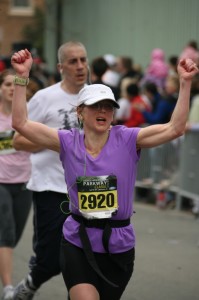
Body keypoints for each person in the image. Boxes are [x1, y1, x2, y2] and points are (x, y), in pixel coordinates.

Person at [11, 48, 198, 300]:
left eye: (108, 107)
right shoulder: (67, 141)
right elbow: (21, 124)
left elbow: (175, 128)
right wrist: (22, 77)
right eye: (95, 106)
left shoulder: (129, 139)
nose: (102, 111)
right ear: (80, 112)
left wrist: (185, 83)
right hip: (78, 239)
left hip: (118, 244)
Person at [12, 42, 88, 299]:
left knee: (86, 258)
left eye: (83, 60)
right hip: (51, 187)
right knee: (50, 259)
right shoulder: (46, 97)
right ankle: (31, 284)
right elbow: (18, 140)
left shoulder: (97, 96)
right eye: (73, 61)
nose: (80, 66)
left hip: (88, 189)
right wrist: (61, 143)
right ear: (60, 67)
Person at [0, 69, 32, 300]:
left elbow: (40, 143)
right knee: (7, 233)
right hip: (0, 181)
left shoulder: (28, 116)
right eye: (7, 84)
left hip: (24, 182)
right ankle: (9, 287)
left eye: (16, 84)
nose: (12, 88)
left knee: (15, 235)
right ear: (0, 89)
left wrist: (24, 143)